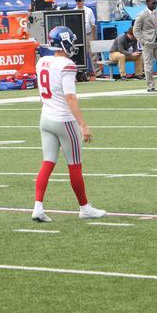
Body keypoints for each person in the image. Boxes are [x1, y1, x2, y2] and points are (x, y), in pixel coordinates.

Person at [32, 26, 106, 222]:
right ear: (64, 42)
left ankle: (38, 207)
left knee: (47, 162)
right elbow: (70, 97)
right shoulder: (67, 65)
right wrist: (83, 124)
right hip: (63, 120)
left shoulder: (42, 61)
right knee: (74, 165)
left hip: (45, 118)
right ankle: (84, 208)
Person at [74, 0, 98, 78]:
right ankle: (81, 74)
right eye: (77, 1)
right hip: (79, 35)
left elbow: (93, 24)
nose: (78, 2)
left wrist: (93, 37)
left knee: (93, 53)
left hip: (88, 33)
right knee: (80, 54)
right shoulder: (74, 11)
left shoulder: (88, 10)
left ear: (83, 1)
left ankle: (97, 73)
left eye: (79, 1)